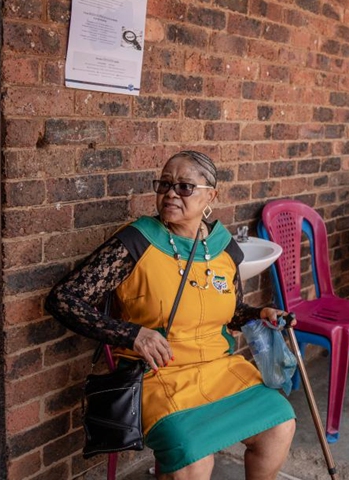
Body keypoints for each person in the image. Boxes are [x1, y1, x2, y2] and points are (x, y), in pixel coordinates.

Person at [45, 151, 296, 480]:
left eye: (184, 187)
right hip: (158, 372)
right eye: (164, 184)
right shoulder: (137, 241)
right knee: (193, 456)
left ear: (211, 195)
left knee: (279, 423)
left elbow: (231, 312)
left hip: (220, 367)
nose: (170, 193)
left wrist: (260, 313)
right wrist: (133, 334)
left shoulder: (224, 249)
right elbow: (63, 299)